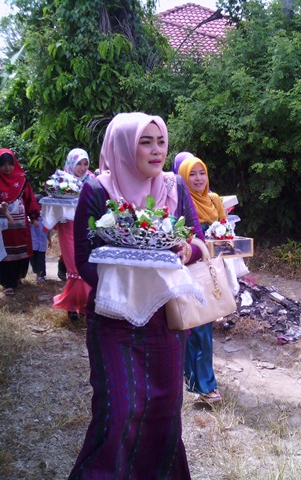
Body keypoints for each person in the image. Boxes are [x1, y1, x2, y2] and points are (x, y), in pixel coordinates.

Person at [69, 112, 203, 480]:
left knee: (164, 410)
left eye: (161, 142)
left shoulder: (174, 187)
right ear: (124, 147)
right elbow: (83, 257)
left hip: (165, 320)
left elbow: (198, 241)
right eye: (146, 142)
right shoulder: (97, 191)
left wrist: (186, 250)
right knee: (119, 410)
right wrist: (127, 280)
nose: (157, 150)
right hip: (115, 319)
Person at [178, 156, 226, 403]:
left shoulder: (213, 200)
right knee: (195, 328)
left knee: (200, 326)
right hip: (185, 270)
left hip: (207, 270)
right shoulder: (178, 201)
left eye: (202, 173)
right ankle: (203, 385)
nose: (198, 179)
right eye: (192, 174)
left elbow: (225, 230)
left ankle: (199, 383)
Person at [0, 148, 40, 295]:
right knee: (1, 249)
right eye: (3, 164)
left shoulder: (21, 179)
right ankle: (6, 282)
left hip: (20, 223)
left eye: (10, 164)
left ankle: (17, 277)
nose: (7, 167)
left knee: (20, 249)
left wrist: (34, 216)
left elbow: (29, 198)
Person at [52, 148, 94, 321]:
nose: (83, 168)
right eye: (79, 164)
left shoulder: (92, 180)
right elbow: (53, 207)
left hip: (88, 230)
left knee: (86, 268)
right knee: (75, 269)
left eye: (85, 164)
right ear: (71, 164)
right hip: (68, 228)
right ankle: (72, 305)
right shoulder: (61, 180)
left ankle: (82, 307)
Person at [30, 194, 52, 283]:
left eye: (41, 205)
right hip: (33, 243)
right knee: (33, 260)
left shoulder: (46, 217)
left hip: (42, 242)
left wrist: (49, 240)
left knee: (41, 259)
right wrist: (32, 220)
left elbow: (48, 230)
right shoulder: (30, 217)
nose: (39, 207)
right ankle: (36, 272)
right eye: (38, 205)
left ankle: (41, 275)